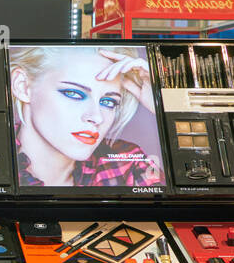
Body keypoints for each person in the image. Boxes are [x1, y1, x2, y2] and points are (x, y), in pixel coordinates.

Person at [9, 45, 163, 188]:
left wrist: (162, 107)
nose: (97, 117)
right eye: (74, 94)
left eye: (108, 102)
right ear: (22, 86)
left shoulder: (126, 164)